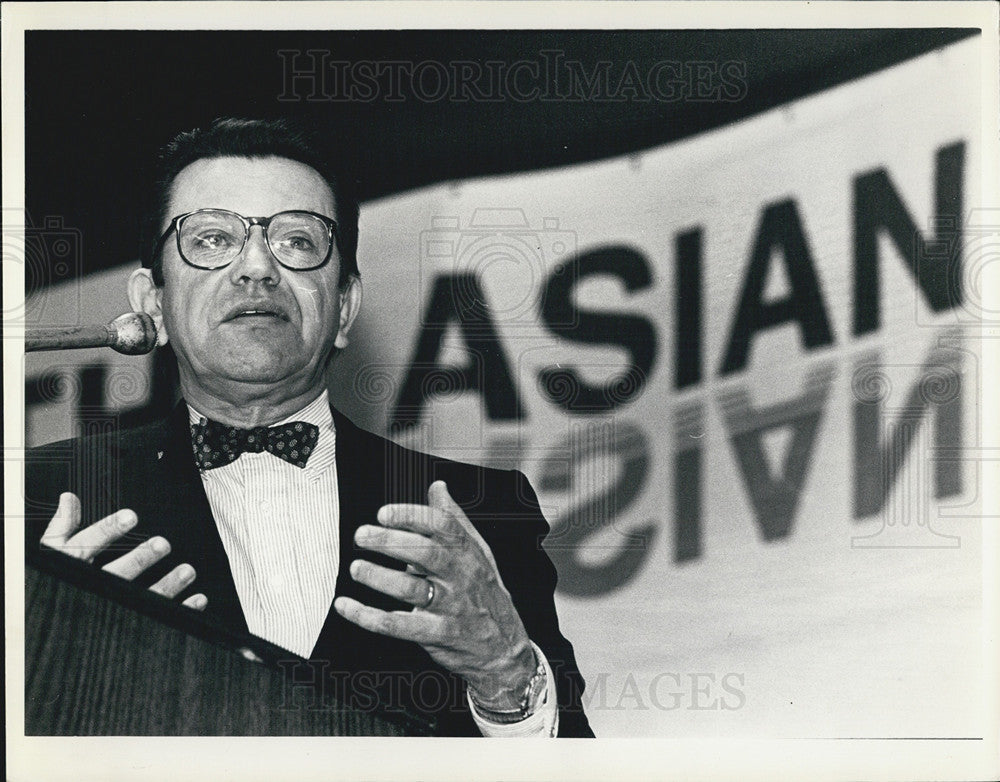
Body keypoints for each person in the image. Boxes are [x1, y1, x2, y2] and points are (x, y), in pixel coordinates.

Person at [25, 117, 593, 737]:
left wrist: (506, 671)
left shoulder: (478, 514)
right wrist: (35, 641)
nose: (256, 269)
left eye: (297, 241)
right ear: (151, 302)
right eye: (212, 239)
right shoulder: (42, 497)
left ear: (344, 307)